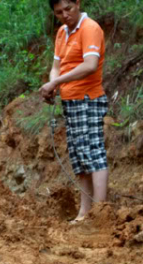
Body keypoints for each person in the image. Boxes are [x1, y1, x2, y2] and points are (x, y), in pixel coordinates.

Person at [39, 0, 108, 223]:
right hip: (71, 100)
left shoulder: (90, 28)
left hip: (88, 98)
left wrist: (56, 82)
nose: (65, 15)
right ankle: (84, 212)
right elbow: (56, 66)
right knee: (79, 157)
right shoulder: (62, 33)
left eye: (68, 9)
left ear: (77, 4)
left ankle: (99, 212)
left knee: (93, 152)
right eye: (59, 12)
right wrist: (53, 85)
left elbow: (90, 64)